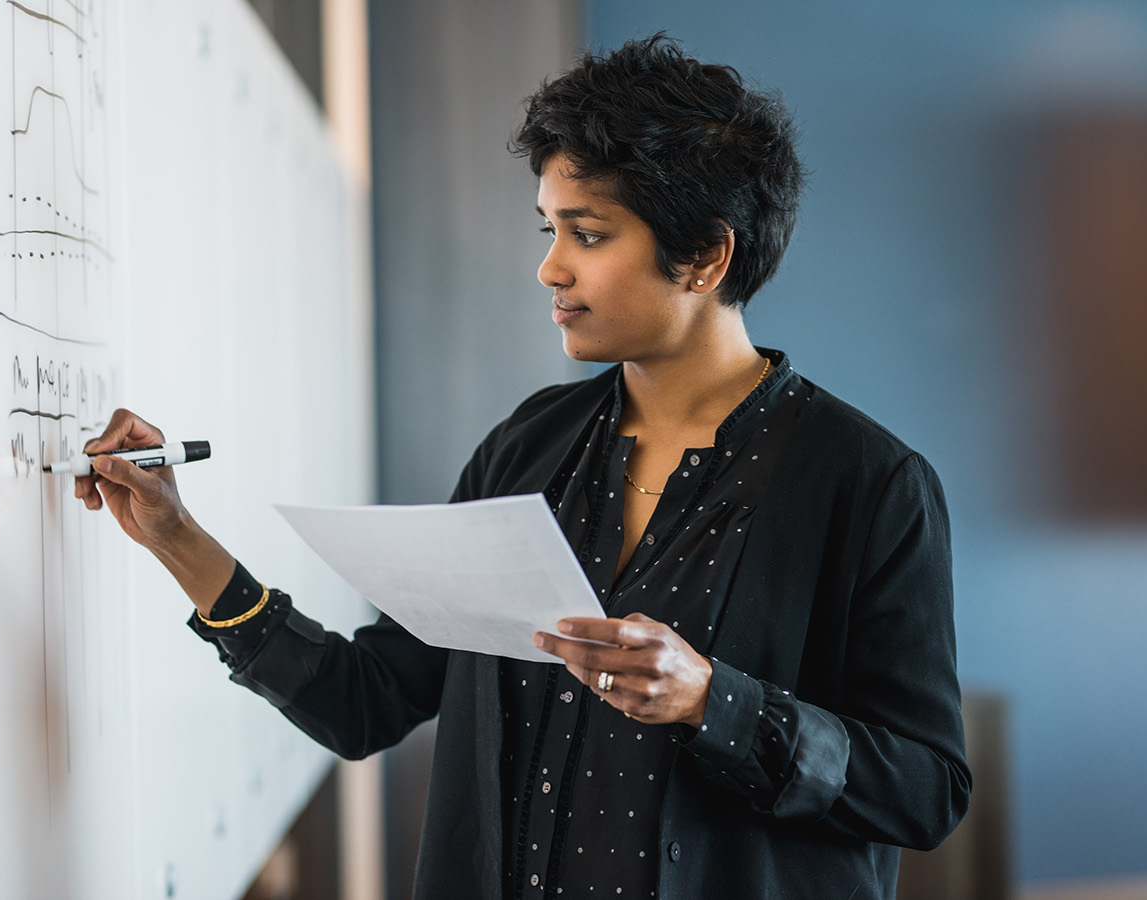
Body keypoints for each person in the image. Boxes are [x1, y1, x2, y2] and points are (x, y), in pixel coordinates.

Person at [76, 34, 970, 900]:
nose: (549, 267)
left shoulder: (869, 484)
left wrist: (713, 701)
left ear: (704, 255)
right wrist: (175, 536)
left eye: (587, 234)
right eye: (549, 229)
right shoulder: (528, 448)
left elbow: (926, 790)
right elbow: (368, 700)